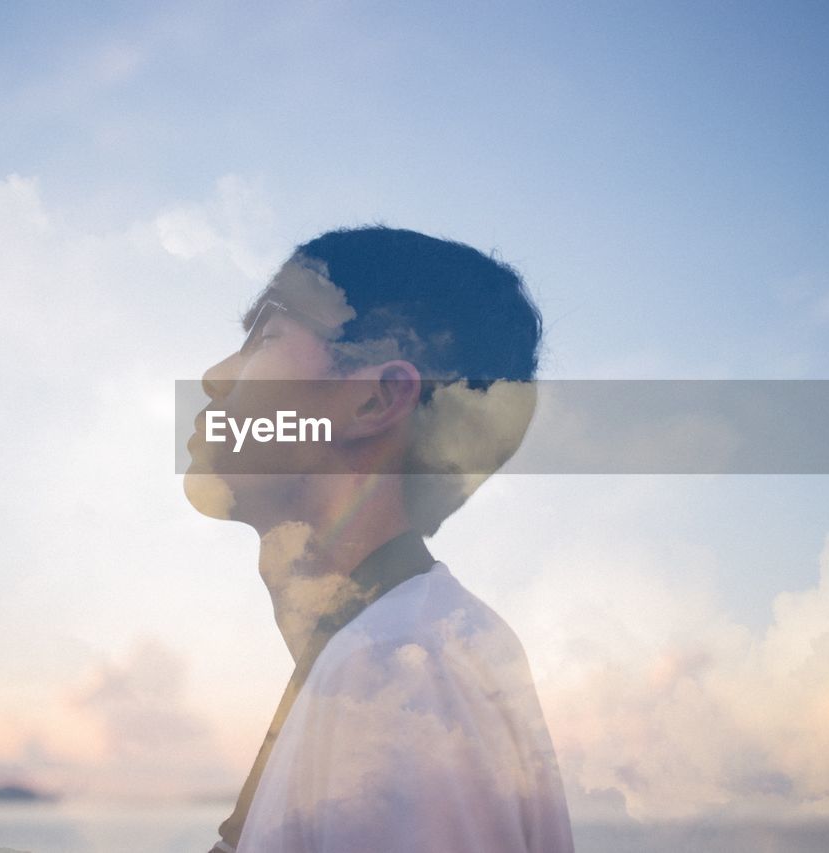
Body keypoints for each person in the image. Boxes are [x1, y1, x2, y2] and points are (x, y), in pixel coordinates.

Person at [184, 226, 573, 853]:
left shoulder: (400, 670)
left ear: (376, 400)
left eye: (267, 336)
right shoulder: (382, 647)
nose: (214, 376)